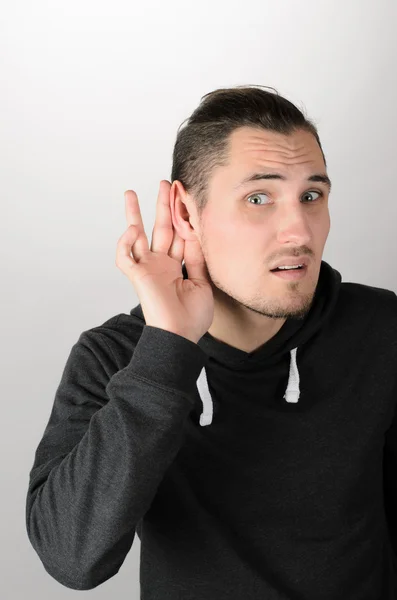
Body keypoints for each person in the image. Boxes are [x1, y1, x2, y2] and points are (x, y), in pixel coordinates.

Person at [25, 85, 397, 599]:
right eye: (258, 198)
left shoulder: (382, 330)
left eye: (312, 196)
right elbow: (73, 559)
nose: (299, 231)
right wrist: (167, 349)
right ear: (184, 212)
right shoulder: (117, 357)